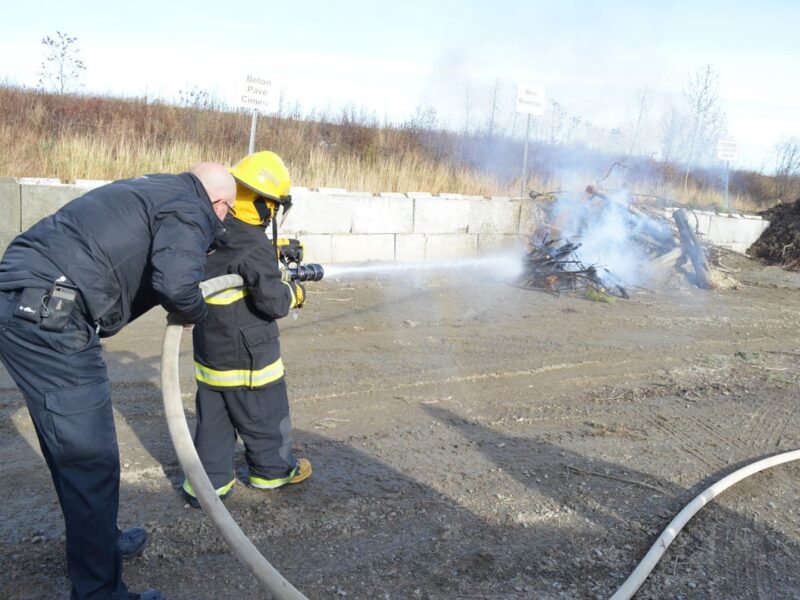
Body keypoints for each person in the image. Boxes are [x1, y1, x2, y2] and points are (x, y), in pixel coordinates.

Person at [0, 163, 236, 600]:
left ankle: (99, 544)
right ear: (219, 202)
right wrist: (192, 313)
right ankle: (99, 592)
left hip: (26, 297)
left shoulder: (157, 188)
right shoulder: (192, 206)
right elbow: (178, 284)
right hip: (52, 313)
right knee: (90, 460)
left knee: (71, 449)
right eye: (225, 216)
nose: (221, 225)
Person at [180, 151, 311, 508]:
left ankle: (209, 485)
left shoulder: (210, 226)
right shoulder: (254, 246)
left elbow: (231, 264)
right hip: (249, 360)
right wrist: (294, 292)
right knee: (265, 416)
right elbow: (273, 303)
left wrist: (272, 253)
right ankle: (273, 473)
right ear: (267, 205)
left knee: (213, 425)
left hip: (210, 354)